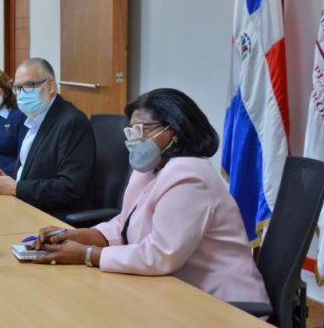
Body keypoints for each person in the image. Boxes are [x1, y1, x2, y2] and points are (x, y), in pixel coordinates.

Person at [32, 88, 270, 304]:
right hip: (173, 290)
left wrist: (86, 255)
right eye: (132, 130)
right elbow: (123, 225)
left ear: (173, 131)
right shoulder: (152, 167)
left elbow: (160, 255)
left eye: (142, 129)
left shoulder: (189, 175)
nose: (134, 138)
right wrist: (77, 236)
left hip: (222, 304)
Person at [0, 57, 94, 219]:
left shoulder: (72, 122)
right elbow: (33, 170)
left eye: (29, 86)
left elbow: (69, 187)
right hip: (24, 206)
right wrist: (7, 180)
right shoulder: (34, 118)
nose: (21, 94)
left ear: (50, 86)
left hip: (50, 217)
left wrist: (17, 188)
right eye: (17, 88)